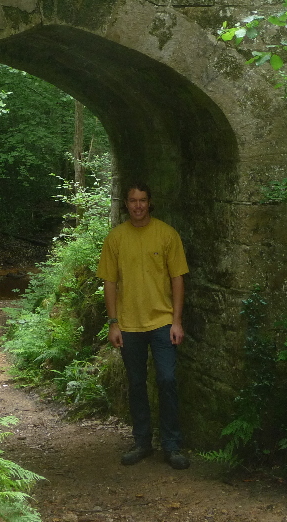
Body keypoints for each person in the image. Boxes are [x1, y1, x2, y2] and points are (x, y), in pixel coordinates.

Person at [96, 183, 190, 470]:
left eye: (143, 200)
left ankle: (172, 445)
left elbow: (178, 279)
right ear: (126, 204)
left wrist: (176, 321)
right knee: (136, 384)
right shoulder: (116, 238)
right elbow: (109, 283)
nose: (138, 206)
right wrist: (113, 323)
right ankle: (142, 442)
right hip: (129, 325)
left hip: (162, 322)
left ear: (150, 203)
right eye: (133, 201)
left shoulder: (166, 234)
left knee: (166, 380)